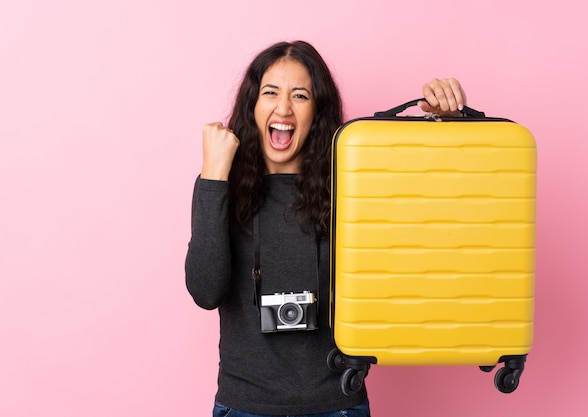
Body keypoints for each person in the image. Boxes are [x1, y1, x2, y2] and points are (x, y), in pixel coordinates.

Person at [185, 40, 468, 417]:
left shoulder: (352, 187)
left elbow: (433, 226)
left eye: (299, 95)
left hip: (337, 404)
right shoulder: (219, 186)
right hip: (243, 405)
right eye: (270, 92)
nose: (283, 107)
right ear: (253, 105)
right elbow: (205, 291)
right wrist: (215, 177)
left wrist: (443, 125)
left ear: (316, 111)